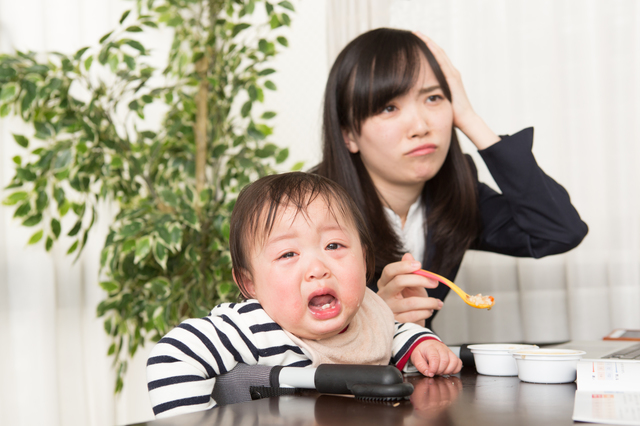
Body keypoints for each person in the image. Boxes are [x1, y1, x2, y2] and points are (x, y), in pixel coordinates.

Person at [315, 28, 588, 328]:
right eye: (389, 107)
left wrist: (470, 119)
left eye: (433, 98)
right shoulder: (307, 209)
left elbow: (559, 231)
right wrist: (375, 321)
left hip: (427, 372)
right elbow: (279, 339)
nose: (420, 125)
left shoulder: (456, 194)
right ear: (349, 135)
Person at [146, 172, 462, 419]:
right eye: (288, 254)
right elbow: (175, 353)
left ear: (365, 259)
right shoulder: (257, 326)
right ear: (250, 284)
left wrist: (423, 344)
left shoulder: (368, 311)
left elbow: (390, 333)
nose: (317, 268)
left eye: (334, 246)